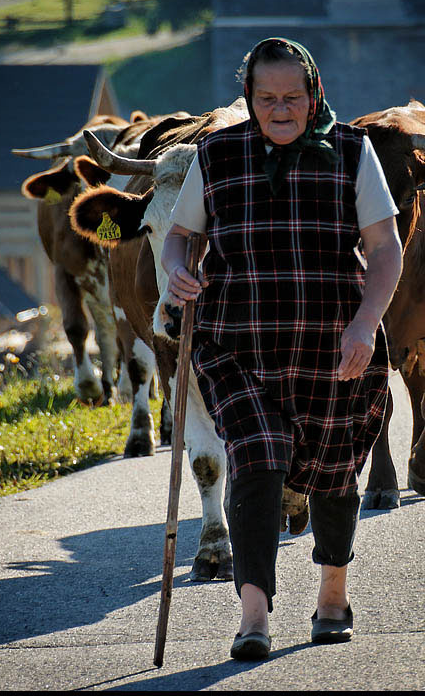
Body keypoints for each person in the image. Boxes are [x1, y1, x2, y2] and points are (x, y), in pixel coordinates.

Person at [160, 37, 403, 660]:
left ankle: (332, 595)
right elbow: (181, 235)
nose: (280, 109)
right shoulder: (215, 154)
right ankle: (254, 617)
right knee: (257, 456)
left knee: (333, 469)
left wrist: (366, 323)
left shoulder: (351, 151)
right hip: (237, 345)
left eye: (293, 97)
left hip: (333, 345)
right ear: (250, 98)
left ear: (313, 94)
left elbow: (385, 250)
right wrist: (179, 269)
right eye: (266, 98)